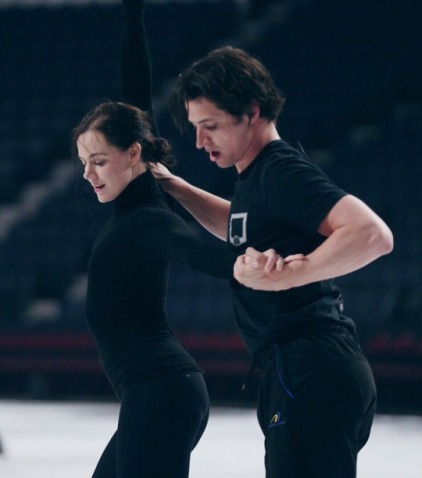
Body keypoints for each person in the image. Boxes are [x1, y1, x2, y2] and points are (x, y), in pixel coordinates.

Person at [151, 46, 394, 477]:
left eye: (211, 126)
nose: (200, 141)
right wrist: (176, 188)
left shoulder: (279, 171)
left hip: (312, 369)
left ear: (252, 112)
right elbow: (240, 226)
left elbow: (373, 235)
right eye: (195, 127)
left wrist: (292, 275)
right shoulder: (256, 178)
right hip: (302, 368)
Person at [71, 2, 285, 476]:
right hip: (158, 393)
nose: (88, 175)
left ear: (132, 155)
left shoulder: (148, 217)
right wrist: (132, 15)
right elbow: (135, 94)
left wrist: (247, 263)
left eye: (98, 162)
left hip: (161, 394)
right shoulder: (136, 196)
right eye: (83, 163)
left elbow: (201, 253)